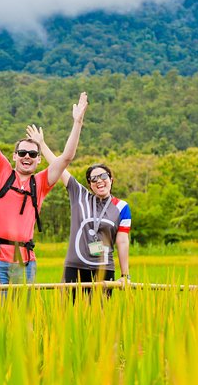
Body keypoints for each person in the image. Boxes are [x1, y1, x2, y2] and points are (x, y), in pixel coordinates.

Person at [0, 64, 87, 285]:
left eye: (33, 153)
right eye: (22, 152)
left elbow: (66, 158)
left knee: (22, 316)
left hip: (24, 257)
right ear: (14, 156)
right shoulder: (1, 172)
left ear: (38, 159)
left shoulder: (41, 183)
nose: (27, 156)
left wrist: (78, 122)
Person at [26, 125, 131, 297]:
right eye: (93, 179)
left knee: (100, 317)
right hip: (74, 267)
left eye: (103, 176)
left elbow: (122, 241)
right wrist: (41, 144)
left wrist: (125, 275)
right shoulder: (80, 195)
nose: (99, 181)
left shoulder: (122, 207)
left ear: (111, 179)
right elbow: (58, 165)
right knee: (68, 316)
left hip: (104, 269)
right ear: (89, 184)